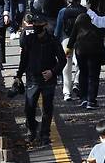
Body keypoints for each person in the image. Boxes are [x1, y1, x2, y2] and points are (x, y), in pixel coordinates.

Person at [15, 13, 67, 145]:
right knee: (29, 107)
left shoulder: (53, 41)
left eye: (39, 26)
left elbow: (62, 60)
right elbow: (24, 59)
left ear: (44, 27)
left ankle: (45, 134)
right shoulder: (29, 40)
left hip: (48, 79)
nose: (36, 28)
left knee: (47, 108)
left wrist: (53, 72)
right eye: (34, 25)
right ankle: (32, 129)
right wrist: (18, 75)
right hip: (32, 78)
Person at [66, 0, 105, 110]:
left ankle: (83, 98)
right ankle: (91, 100)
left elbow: (73, 35)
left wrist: (69, 48)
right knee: (93, 76)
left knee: (83, 74)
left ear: (88, 4)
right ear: (98, 5)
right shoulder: (101, 18)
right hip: (96, 50)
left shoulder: (81, 17)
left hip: (81, 50)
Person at [55, 0, 87, 102]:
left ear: (67, 0)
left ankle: (66, 92)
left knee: (66, 65)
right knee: (81, 63)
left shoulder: (63, 11)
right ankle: (77, 81)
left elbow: (58, 29)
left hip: (67, 42)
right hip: (81, 40)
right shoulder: (84, 10)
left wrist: (55, 42)